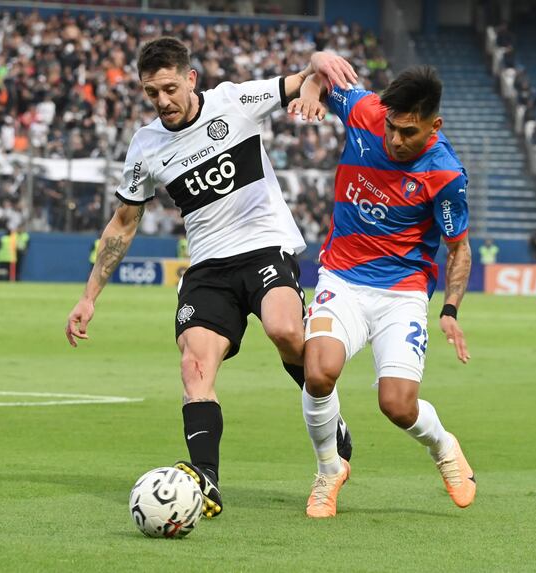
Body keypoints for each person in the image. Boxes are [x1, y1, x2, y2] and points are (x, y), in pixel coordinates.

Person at [65, 37, 357, 518]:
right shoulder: (145, 147)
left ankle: (330, 420)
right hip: (207, 267)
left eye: (169, 88)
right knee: (193, 366)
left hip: (264, 246)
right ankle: (207, 481)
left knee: (286, 330)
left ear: (191, 79)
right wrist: (89, 296)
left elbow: (302, 82)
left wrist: (316, 66)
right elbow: (123, 223)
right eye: (151, 93)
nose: (162, 101)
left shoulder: (233, 101)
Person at [288, 65, 475, 518]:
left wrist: (449, 308)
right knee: (318, 372)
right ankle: (329, 469)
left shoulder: (446, 175)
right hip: (341, 277)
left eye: (407, 132)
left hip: (402, 293)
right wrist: (313, 85)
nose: (394, 139)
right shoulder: (365, 109)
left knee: (396, 403)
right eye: (391, 127)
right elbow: (316, 77)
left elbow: (459, 249)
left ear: (434, 125)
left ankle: (444, 446)